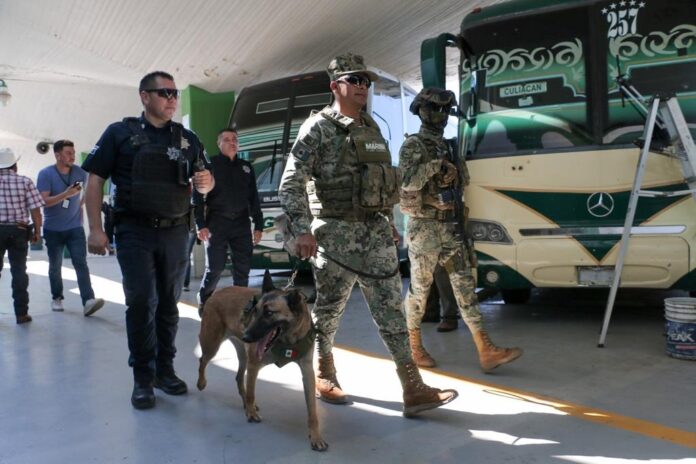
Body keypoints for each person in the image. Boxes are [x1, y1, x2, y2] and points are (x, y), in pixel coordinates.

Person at [278, 53, 457, 417]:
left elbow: (377, 180)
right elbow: (291, 182)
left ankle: (413, 388)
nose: (363, 86)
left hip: (375, 233)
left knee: (391, 308)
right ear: (335, 86)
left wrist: (387, 221)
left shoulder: (371, 127)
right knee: (329, 311)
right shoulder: (318, 128)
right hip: (336, 233)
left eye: (366, 81)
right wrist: (302, 230)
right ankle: (324, 371)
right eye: (354, 80)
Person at [83, 71, 214, 410]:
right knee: (142, 302)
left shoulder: (187, 139)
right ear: (144, 96)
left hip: (175, 231)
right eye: (164, 92)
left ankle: (164, 370)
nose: (171, 99)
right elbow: (95, 181)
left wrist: (206, 182)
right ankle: (143, 377)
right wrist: (95, 229)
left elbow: (205, 182)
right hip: (135, 231)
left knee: (170, 305)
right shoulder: (120, 133)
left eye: (175, 93)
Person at [399, 87, 523, 371]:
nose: (441, 115)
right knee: (420, 291)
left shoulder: (449, 145)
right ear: (421, 109)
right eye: (435, 108)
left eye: (446, 110)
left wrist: (453, 169)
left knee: (465, 288)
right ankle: (414, 348)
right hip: (426, 230)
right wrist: (435, 167)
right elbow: (407, 183)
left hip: (452, 229)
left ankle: (486, 350)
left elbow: (461, 184)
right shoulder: (414, 145)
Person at [195, 128, 263, 315]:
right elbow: (198, 197)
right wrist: (200, 224)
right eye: (226, 139)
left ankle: (239, 305)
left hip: (241, 223)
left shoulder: (246, 167)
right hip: (217, 223)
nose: (232, 142)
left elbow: (254, 199)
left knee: (242, 269)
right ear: (219, 144)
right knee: (215, 268)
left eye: (235, 139)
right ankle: (204, 299)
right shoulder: (210, 166)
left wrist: (259, 225)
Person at [36, 139, 105, 316]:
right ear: (57, 155)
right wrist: (66, 195)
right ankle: (57, 297)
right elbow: (43, 201)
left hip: (75, 228)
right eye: (68, 153)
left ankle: (88, 299)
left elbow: (91, 190)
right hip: (53, 229)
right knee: (55, 265)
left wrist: (79, 203)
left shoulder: (79, 172)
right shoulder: (46, 174)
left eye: (73, 153)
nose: (72, 156)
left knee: (81, 263)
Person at [0, 147, 44, 324]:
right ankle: (21, 314)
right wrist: (38, 232)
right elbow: (35, 209)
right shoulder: (25, 182)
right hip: (19, 230)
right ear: (14, 165)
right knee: (19, 272)